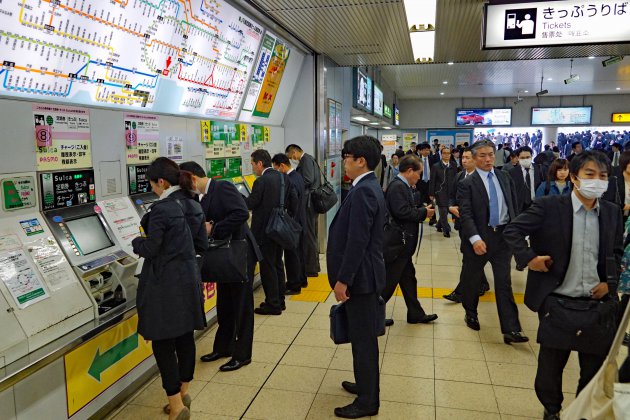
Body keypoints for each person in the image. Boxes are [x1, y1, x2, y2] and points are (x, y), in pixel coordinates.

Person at [503, 151, 623, 420]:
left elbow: (614, 253)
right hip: (556, 300)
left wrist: (609, 284)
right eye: (590, 175)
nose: (597, 181)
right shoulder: (549, 206)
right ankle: (552, 409)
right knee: (550, 366)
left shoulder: (612, 212)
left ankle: (582, 410)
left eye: (603, 176)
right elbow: (513, 230)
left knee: (592, 368)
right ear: (574, 177)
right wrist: (529, 258)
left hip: (596, 304)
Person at [132, 158, 207, 420]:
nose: (153, 189)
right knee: (185, 337)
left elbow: (151, 248)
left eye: (152, 184)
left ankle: (176, 406)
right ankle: (184, 391)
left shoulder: (163, 209)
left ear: (161, 182)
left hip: (165, 284)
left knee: (163, 343)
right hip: (188, 278)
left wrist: (135, 242)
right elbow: (201, 244)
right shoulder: (191, 202)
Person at [179, 161, 258, 372]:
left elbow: (241, 213)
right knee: (225, 304)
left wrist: (214, 227)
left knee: (242, 306)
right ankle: (223, 347)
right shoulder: (201, 196)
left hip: (239, 254)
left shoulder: (222, 187)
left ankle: (243, 355)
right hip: (224, 256)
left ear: (193, 178)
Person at [327, 136, 385, 418]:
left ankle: (367, 402)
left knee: (363, 341)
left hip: (360, 279)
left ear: (360, 160)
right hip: (364, 276)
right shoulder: (367, 186)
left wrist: (343, 279)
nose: (343, 162)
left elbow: (357, 241)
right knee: (361, 335)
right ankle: (364, 385)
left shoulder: (364, 191)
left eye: (346, 156)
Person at [456, 140, 528, 344]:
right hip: (479, 238)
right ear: (474, 158)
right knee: (471, 279)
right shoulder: (467, 183)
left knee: (504, 283)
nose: (488, 159)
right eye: (483, 156)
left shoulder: (504, 177)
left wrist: (517, 231)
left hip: (503, 238)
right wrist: (475, 238)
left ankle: (511, 329)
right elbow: (466, 214)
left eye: (491, 155)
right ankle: (470, 312)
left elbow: (513, 205)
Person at [382, 155, 438, 325]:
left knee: (408, 279)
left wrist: (420, 208)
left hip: (403, 244)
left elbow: (406, 208)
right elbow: (402, 212)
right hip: (398, 244)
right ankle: (370, 315)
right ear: (409, 171)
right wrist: (423, 213)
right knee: (389, 283)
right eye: (418, 174)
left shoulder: (404, 186)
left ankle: (415, 313)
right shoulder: (398, 186)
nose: (419, 178)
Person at [246, 149, 297, 315]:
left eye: (253, 164)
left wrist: (239, 199)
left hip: (264, 231)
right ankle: (280, 300)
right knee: (277, 264)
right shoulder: (283, 177)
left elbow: (252, 203)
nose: (253, 167)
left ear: (260, 163)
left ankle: (272, 304)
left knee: (267, 267)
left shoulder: (261, 182)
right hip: (279, 228)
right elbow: (293, 200)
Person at [443, 148, 490, 303]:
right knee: (470, 256)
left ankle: (461, 292)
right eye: (463, 158)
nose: (464, 160)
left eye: (468, 158)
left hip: (478, 226)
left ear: (475, 160)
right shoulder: (459, 176)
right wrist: (451, 207)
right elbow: (451, 196)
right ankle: (482, 283)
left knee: (469, 258)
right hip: (463, 223)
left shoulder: (483, 178)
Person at [271, 153, 307, 294]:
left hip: (293, 222)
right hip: (300, 221)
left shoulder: (289, 179)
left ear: (282, 166)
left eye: (276, 168)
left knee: (292, 256)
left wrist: (288, 218)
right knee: (299, 254)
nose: (277, 172)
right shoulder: (297, 176)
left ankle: (294, 285)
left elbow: (293, 202)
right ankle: (301, 280)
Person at [285, 144, 321, 278]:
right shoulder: (309, 159)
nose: (292, 159)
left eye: (291, 156)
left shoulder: (305, 160)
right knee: (311, 234)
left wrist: (294, 182)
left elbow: (307, 179)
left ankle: (311, 268)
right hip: (311, 202)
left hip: (308, 203)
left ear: (294, 152)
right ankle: (312, 266)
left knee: (309, 235)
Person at [429, 147, 457, 238]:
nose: (446, 155)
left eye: (448, 153)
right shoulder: (436, 166)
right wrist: (431, 193)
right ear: (441, 154)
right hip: (440, 192)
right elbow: (432, 180)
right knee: (443, 211)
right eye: (444, 153)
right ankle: (446, 230)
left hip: (451, 192)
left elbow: (455, 179)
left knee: (446, 211)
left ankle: (438, 225)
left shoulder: (453, 165)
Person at [509, 146, 544, 213]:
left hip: (537, 205)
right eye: (522, 158)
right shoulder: (512, 172)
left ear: (532, 156)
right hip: (519, 207)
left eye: (528, 157)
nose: (525, 159)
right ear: (518, 158)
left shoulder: (540, 169)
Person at [604, 150, 630, 224]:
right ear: (624, 163)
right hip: (615, 220)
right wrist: (626, 206)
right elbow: (608, 202)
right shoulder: (614, 180)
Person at [417, 143, 437, 225]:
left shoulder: (433, 159)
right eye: (424, 149)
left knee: (430, 201)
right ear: (420, 151)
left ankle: (433, 218)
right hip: (420, 183)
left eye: (428, 149)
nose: (426, 151)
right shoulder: (417, 160)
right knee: (419, 201)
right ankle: (420, 217)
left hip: (429, 183)